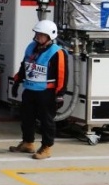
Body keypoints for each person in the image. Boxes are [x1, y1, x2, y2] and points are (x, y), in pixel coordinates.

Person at [9, 19, 68, 160]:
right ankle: (28, 142)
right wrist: (17, 80)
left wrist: (60, 94)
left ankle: (47, 147)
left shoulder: (57, 52)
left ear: (50, 36)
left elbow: (62, 75)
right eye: (37, 34)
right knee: (26, 118)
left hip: (46, 92)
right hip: (30, 90)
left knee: (46, 120)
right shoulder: (31, 47)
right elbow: (25, 65)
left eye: (41, 35)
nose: (38, 37)